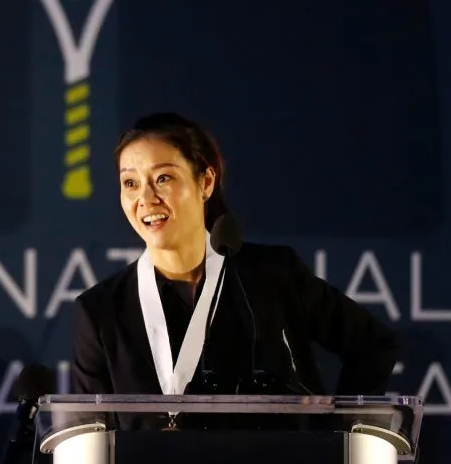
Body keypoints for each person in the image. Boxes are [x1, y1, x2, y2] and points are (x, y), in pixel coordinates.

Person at [71, 112, 399, 404]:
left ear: (207, 182)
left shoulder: (272, 275)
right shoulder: (101, 312)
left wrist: (343, 431)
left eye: (163, 178)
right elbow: (88, 439)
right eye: (130, 183)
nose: (145, 198)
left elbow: (373, 346)